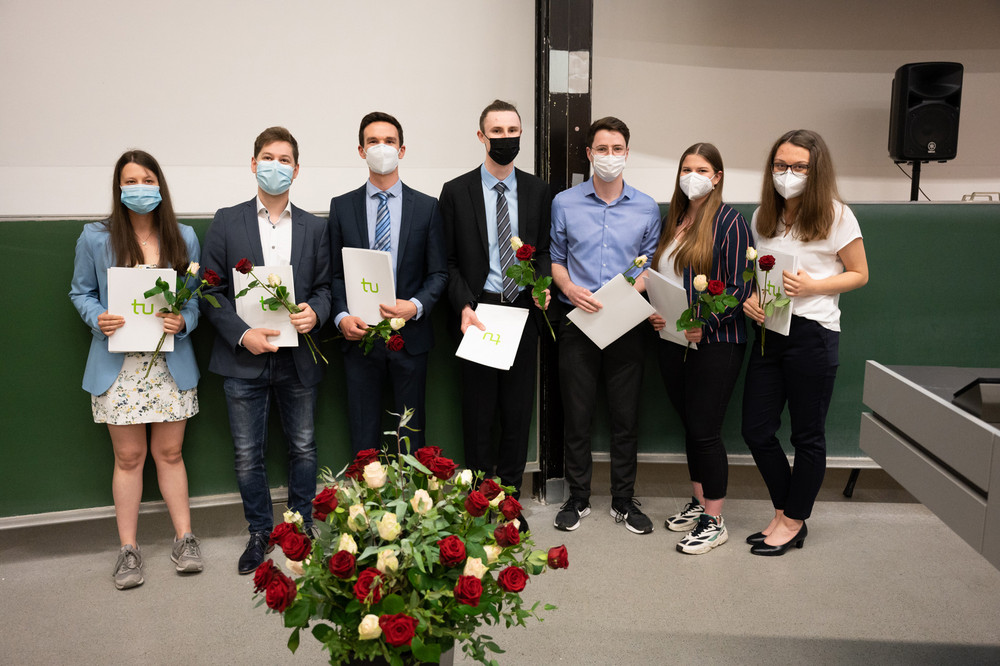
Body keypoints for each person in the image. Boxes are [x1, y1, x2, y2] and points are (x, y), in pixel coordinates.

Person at [70, 150, 204, 589]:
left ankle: (185, 539)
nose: (140, 188)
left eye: (147, 180)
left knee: (171, 454)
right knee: (128, 458)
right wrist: (98, 317)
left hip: (169, 363)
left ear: (159, 185)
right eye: (130, 181)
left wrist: (184, 320)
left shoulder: (183, 237)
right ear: (119, 187)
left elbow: (195, 298)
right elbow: (81, 292)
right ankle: (128, 549)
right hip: (118, 366)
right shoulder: (95, 237)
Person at [200, 127, 332, 574]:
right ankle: (259, 531)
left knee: (304, 447)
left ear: (296, 169)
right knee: (246, 454)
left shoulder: (317, 227)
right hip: (244, 358)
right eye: (268, 157)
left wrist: (316, 312)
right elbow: (210, 290)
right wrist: (242, 334)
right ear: (254, 164)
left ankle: (300, 526)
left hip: (298, 358)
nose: (276, 165)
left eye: (285, 159)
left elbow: (326, 288)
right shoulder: (226, 221)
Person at [741, 129, 868, 556]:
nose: (788, 173)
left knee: (807, 435)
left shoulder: (837, 215)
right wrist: (753, 299)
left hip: (813, 334)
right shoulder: (764, 215)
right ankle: (784, 510)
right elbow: (762, 273)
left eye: (799, 166)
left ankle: (794, 520)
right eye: (781, 165)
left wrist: (814, 286)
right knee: (756, 429)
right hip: (770, 331)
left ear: (816, 170)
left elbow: (859, 274)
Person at [439, 99, 552, 530]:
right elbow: (448, 260)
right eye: (497, 131)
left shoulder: (538, 191)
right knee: (479, 414)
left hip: (522, 311)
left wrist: (541, 285)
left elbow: (544, 251)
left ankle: (510, 501)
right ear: (481, 136)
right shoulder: (456, 191)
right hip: (478, 312)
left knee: (517, 414)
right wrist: (464, 305)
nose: (506, 138)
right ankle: (480, 500)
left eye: (513, 131)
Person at [550, 117, 662, 535]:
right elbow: (556, 258)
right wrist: (569, 287)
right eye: (602, 149)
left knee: (625, 416)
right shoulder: (564, 203)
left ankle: (623, 500)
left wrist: (626, 294)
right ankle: (578, 498)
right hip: (577, 319)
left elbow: (650, 265)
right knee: (577, 415)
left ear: (627, 153)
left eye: (617, 149)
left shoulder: (646, 207)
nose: (609, 156)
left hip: (626, 322)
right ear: (589, 153)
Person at [648, 143, 753, 554]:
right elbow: (662, 277)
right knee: (691, 426)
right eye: (686, 169)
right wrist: (656, 314)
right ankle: (699, 501)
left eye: (702, 169)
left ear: (717, 177)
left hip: (716, 343)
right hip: (672, 339)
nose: (693, 176)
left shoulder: (729, 222)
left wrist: (704, 324)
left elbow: (739, 286)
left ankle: (715, 520)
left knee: (706, 431)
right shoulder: (673, 220)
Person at [329, 112, 447, 454]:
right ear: (361, 150)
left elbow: (438, 273)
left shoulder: (426, 207)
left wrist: (415, 306)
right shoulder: (342, 207)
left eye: (389, 141)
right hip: (359, 338)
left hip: (410, 338)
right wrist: (341, 317)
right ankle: (364, 490)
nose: (382, 148)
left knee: (410, 437)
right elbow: (334, 275)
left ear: (402, 150)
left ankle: (412, 490)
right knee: (363, 435)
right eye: (373, 141)